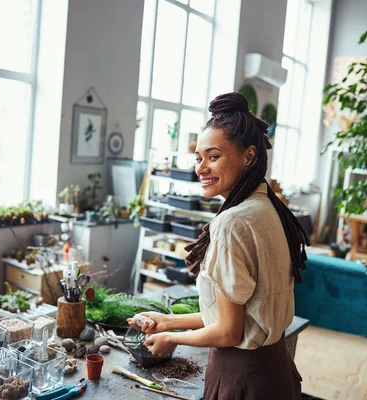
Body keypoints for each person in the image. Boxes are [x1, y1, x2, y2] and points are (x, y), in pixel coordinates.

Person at [128, 92, 309, 400]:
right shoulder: (269, 208)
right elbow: (239, 314)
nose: (201, 168)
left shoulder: (232, 223)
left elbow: (228, 331)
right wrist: (169, 321)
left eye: (213, 157)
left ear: (249, 156)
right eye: (198, 158)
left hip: (242, 379)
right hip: (276, 372)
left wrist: (172, 338)